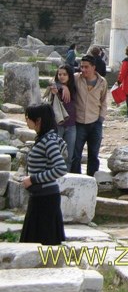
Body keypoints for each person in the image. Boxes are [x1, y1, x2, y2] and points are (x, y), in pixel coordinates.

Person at [20, 103, 67, 245]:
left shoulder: (49, 141)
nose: (26, 121)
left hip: (45, 198)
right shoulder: (47, 137)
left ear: (38, 120)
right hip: (40, 196)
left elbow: (60, 168)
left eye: (28, 118)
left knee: (43, 244)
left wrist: (33, 179)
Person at [71, 54, 108, 177]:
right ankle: (76, 179)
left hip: (95, 122)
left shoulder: (102, 82)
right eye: (82, 67)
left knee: (94, 154)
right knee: (76, 154)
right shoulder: (76, 78)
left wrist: (101, 118)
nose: (84, 70)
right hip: (79, 121)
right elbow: (57, 79)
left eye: (86, 67)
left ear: (93, 67)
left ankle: (92, 180)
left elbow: (103, 101)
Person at [49, 64, 77, 172]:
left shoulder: (74, 87)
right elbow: (52, 84)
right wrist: (62, 87)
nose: (62, 76)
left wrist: (66, 87)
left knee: (68, 156)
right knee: (56, 155)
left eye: (65, 74)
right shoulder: (55, 87)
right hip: (58, 124)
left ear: (69, 75)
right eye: (60, 74)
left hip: (71, 125)